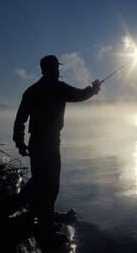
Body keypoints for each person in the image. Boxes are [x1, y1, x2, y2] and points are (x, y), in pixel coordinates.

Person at [13, 55, 101, 234]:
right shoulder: (59, 88)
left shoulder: (32, 91)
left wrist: (20, 142)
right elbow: (80, 95)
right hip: (51, 143)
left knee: (39, 179)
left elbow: (20, 120)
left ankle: (39, 213)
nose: (59, 71)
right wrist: (94, 89)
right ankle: (43, 222)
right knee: (51, 183)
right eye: (56, 68)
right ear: (50, 69)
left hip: (36, 143)